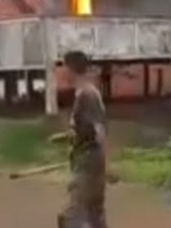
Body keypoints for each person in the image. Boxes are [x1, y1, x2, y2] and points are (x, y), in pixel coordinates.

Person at [56, 50, 108, 228]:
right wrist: (67, 137)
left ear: (70, 69)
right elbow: (87, 130)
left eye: (62, 66)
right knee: (95, 216)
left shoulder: (88, 94)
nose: (61, 71)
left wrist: (107, 164)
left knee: (70, 217)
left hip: (88, 163)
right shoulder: (83, 93)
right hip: (86, 160)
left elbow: (99, 130)